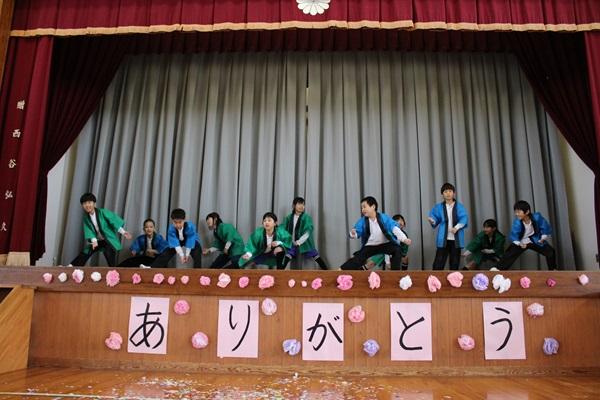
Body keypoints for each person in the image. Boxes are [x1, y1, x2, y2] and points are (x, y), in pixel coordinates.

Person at [341, 197, 411, 271]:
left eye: (364, 207)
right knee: (358, 258)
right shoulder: (362, 221)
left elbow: (394, 228)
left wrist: (404, 239)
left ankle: (395, 273)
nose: (362, 210)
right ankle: (340, 270)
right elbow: (357, 231)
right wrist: (353, 233)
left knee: (397, 249)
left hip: (385, 245)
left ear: (373, 207)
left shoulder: (384, 218)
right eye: (362, 208)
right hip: (370, 246)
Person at [69, 193, 132, 267]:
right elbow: (89, 230)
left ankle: (113, 270)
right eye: (84, 203)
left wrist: (123, 232)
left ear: (94, 203)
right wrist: (94, 240)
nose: (87, 205)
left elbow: (113, 222)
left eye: (89, 202)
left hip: (108, 240)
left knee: (109, 254)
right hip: (98, 241)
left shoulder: (103, 212)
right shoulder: (86, 218)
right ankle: (72, 266)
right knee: (87, 250)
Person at [495, 200, 557, 270]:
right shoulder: (517, 222)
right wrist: (519, 243)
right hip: (521, 241)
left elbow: (544, 226)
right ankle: (498, 269)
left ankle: (553, 270)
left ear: (527, 212)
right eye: (515, 212)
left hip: (535, 240)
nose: (516, 214)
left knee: (550, 252)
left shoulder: (537, 217)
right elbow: (514, 236)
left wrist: (543, 237)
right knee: (509, 254)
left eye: (518, 212)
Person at [428, 183, 468, 270]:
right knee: (438, 263)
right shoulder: (438, 207)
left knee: (454, 263)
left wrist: (456, 227)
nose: (448, 193)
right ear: (442, 194)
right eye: (445, 191)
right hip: (443, 238)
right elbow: (435, 218)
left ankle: (453, 278)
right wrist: (432, 221)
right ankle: (435, 278)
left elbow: (464, 218)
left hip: (456, 238)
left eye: (450, 191)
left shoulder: (459, 206)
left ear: (453, 193)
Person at [281, 197, 327, 270]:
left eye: (303, 204)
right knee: (287, 255)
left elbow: (308, 231)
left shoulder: (306, 218)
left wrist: (299, 242)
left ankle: (327, 271)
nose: (302, 206)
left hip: (305, 241)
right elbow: (283, 230)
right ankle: (279, 273)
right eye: (299, 204)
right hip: (292, 241)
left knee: (315, 255)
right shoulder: (288, 218)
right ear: (294, 205)